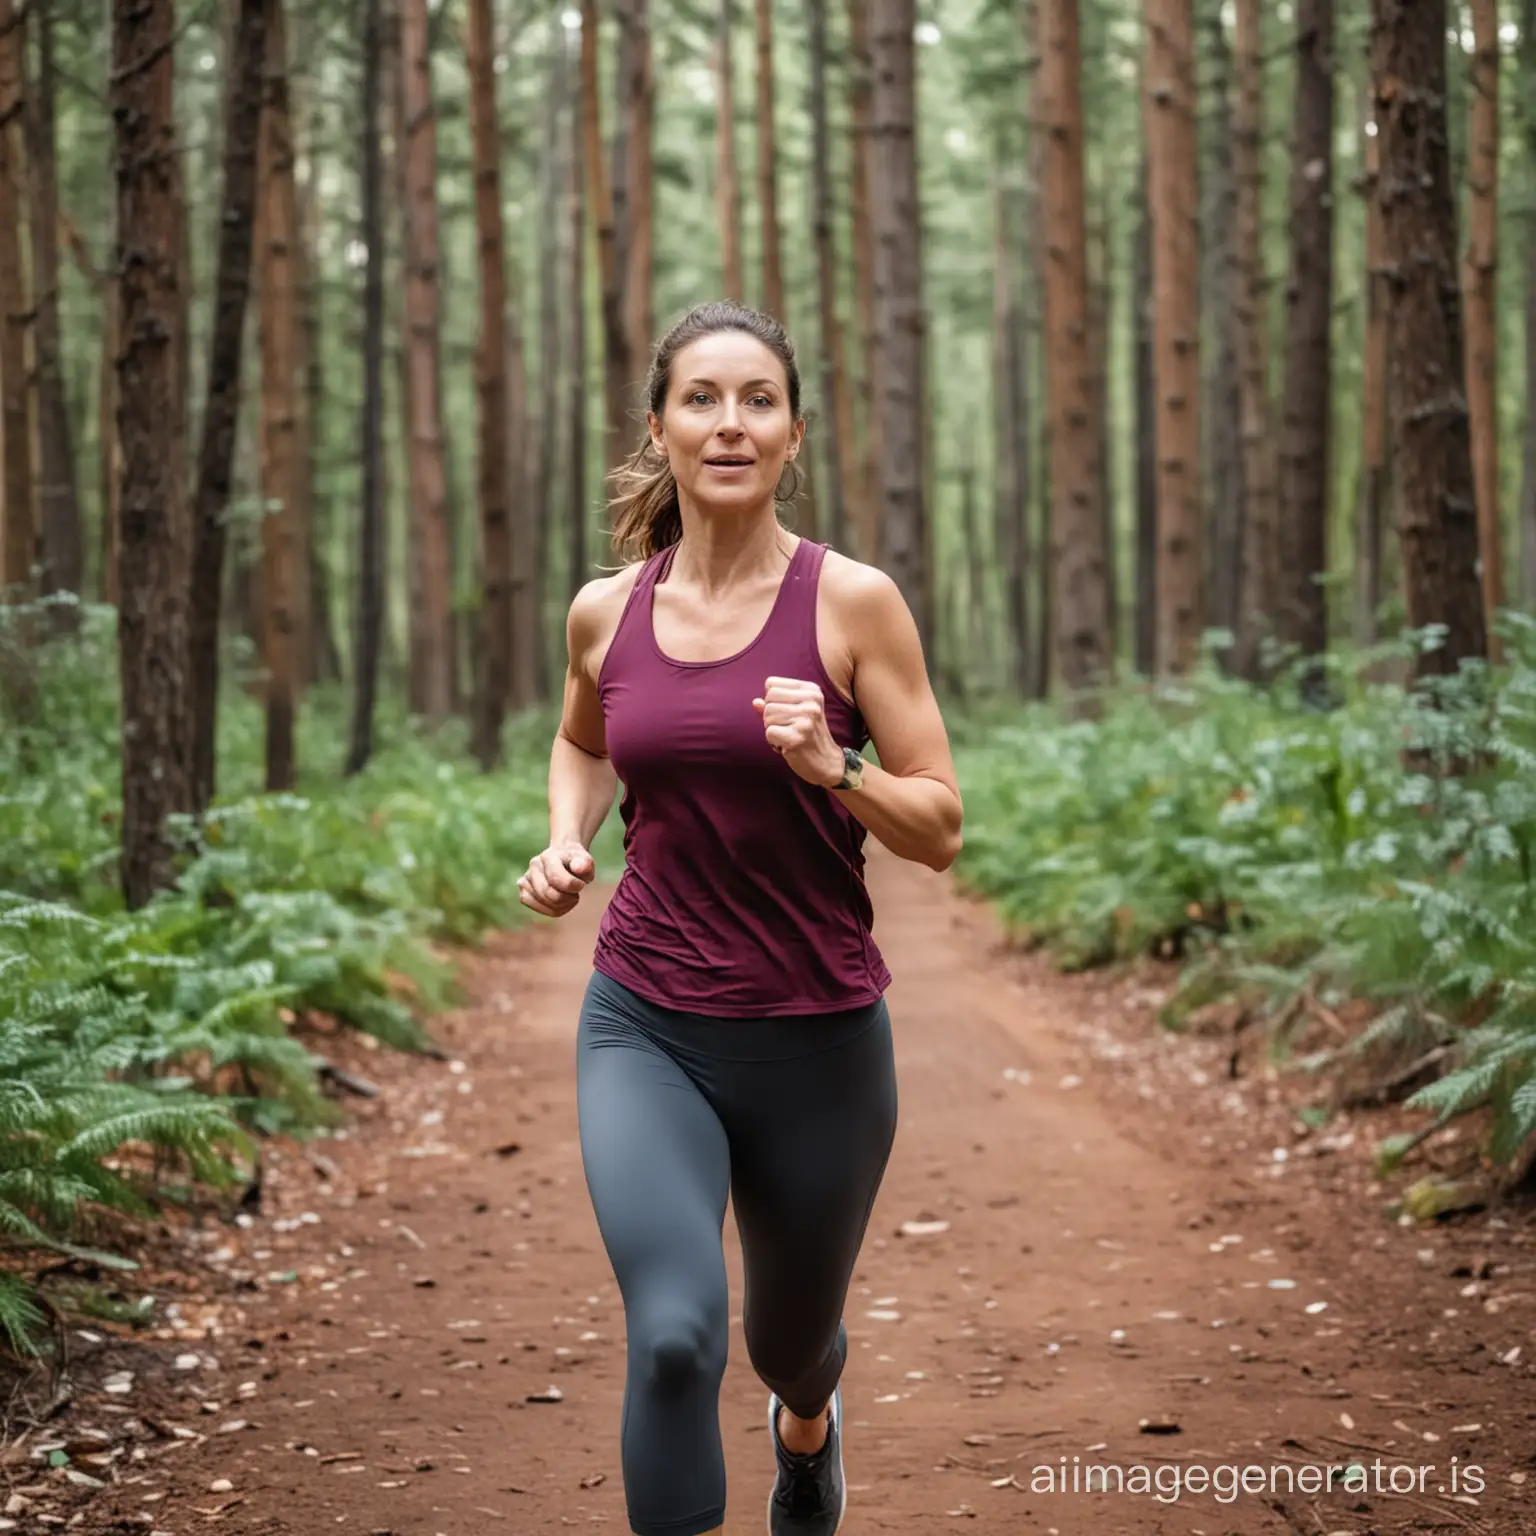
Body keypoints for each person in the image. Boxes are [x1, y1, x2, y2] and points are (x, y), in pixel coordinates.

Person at [518, 300, 963, 1536]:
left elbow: (938, 827)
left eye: (756, 399)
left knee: (789, 1346)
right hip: (646, 1025)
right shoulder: (605, 610)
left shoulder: (852, 604)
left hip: (819, 1035)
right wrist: (567, 836)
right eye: (700, 399)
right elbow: (578, 738)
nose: (728, 423)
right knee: (671, 1337)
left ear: (793, 433)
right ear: (660, 430)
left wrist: (838, 768)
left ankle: (808, 1433)